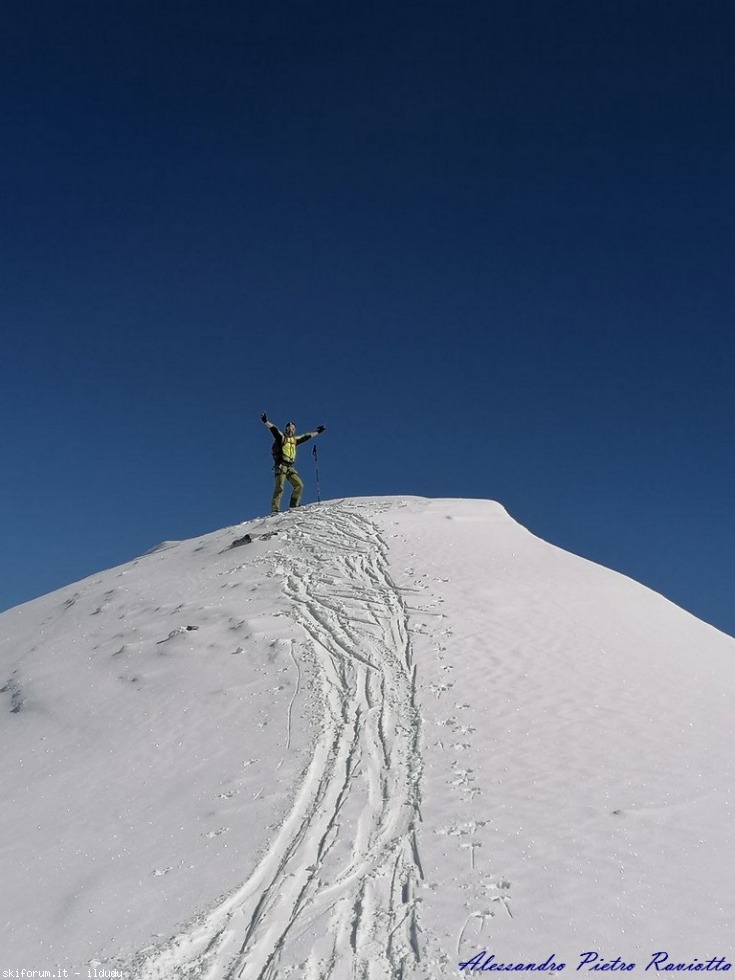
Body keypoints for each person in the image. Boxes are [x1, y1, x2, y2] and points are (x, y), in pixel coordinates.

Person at [260, 413, 326, 513]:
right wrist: (265, 421)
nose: (291, 429)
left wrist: (318, 431)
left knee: (299, 485)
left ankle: (293, 506)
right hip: (281, 465)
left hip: (290, 466)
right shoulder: (282, 438)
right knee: (280, 487)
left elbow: (306, 436)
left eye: (292, 428)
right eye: (289, 428)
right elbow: (274, 429)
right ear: (286, 429)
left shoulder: (295, 440)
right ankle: (275, 509)